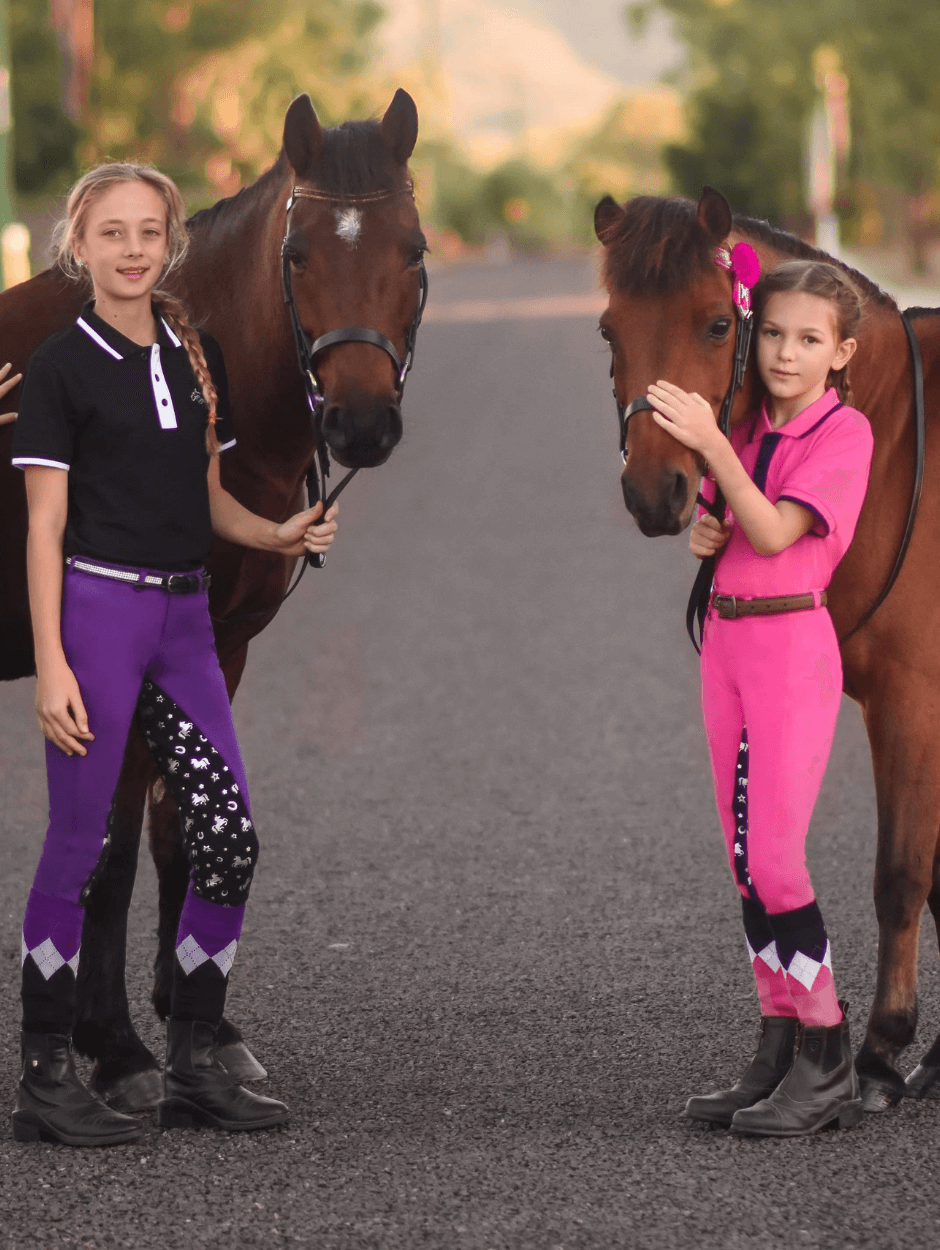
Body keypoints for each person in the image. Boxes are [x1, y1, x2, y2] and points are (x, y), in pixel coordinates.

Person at [9, 163, 338, 1146]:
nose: (133, 249)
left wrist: (277, 535)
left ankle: (194, 1049)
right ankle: (47, 1073)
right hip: (101, 618)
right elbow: (42, 528)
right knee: (79, 845)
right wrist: (54, 662)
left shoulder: (193, 355)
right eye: (111, 233)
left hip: (184, 623)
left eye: (148, 231)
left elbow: (206, 501)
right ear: (81, 245)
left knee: (227, 833)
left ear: (170, 242)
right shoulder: (58, 368)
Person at [646, 258, 874, 1137]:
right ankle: (778, 1041)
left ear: (840, 352)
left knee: (778, 859)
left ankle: (828, 1055)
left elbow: (778, 529)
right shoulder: (742, 432)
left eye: (809, 339)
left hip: (789, 645)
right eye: (773, 333)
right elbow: (727, 523)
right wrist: (706, 526)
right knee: (746, 864)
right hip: (728, 646)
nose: (786, 353)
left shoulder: (841, 434)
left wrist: (713, 452)